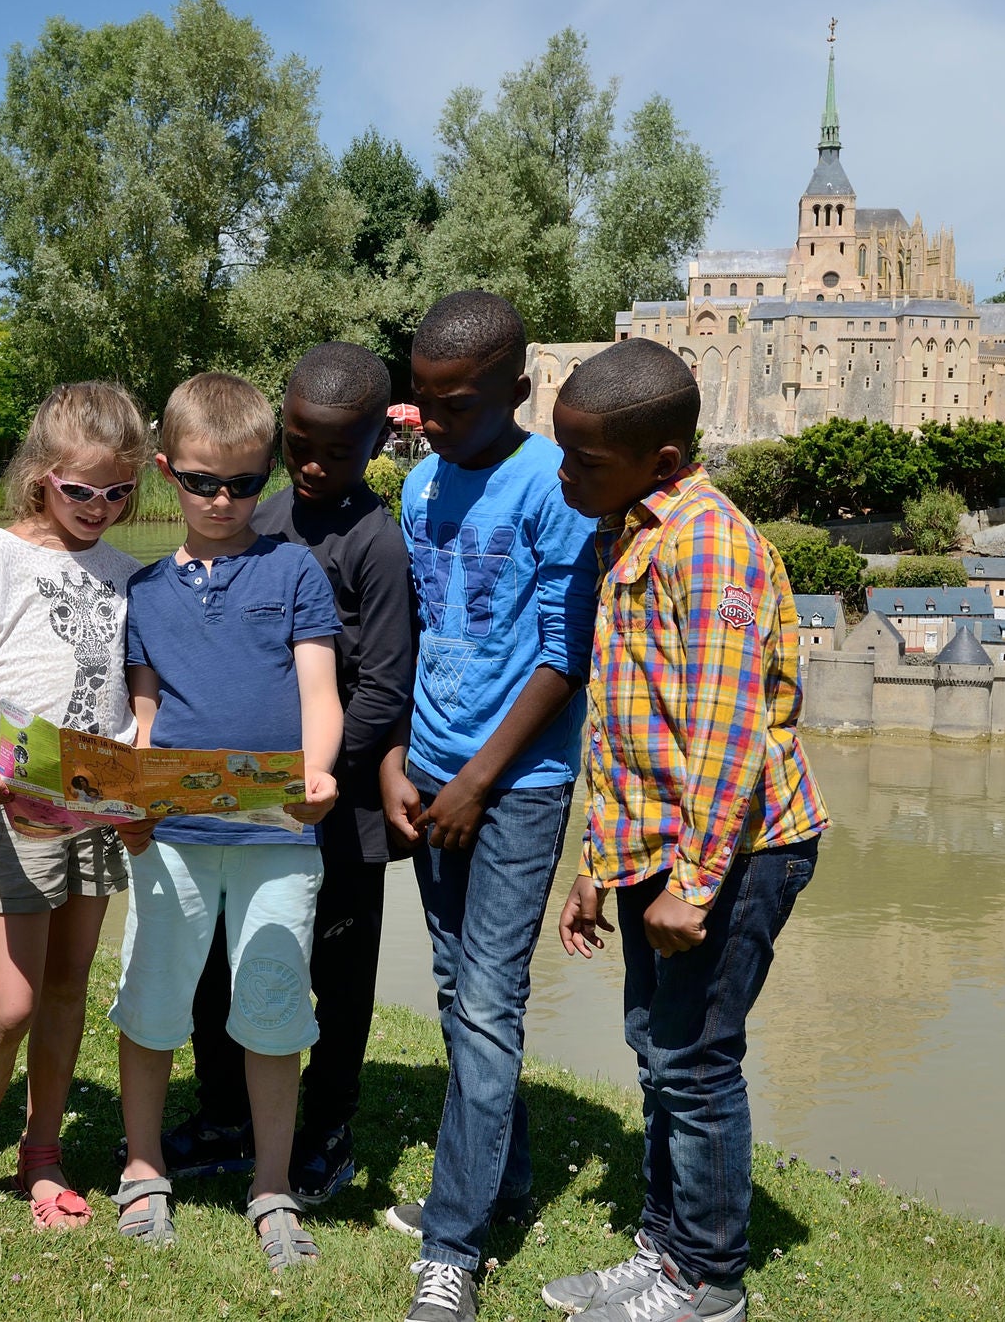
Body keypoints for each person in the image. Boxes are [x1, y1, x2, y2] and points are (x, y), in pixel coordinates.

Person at [543, 339, 830, 1322]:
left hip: (737, 849)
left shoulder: (709, 545)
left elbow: (723, 740)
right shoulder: (629, 529)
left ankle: (709, 1282)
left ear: (661, 461)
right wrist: (597, 865)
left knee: (697, 1058)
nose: (563, 475)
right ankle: (662, 1248)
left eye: (582, 461)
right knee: (655, 1046)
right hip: (661, 847)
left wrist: (694, 884)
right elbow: (630, 731)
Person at [381, 290, 601, 1322]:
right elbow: (420, 635)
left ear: (517, 391)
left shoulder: (552, 493)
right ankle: (498, 1179)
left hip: (514, 789)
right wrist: (401, 760)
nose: (431, 420)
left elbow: (565, 657)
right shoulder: (418, 486)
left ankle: (451, 1245)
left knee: (487, 1002)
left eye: (455, 403)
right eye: (420, 400)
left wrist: (475, 780)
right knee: (449, 984)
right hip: (428, 775)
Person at [163, 343, 415, 1203]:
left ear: (378, 440)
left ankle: (328, 1124)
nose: (313, 463)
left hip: (331, 808)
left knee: (336, 978)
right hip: (234, 809)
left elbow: (383, 686)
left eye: (337, 450)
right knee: (219, 963)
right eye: (299, 443)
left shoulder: (374, 543)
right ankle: (226, 1110)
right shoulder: (255, 517)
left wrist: (311, 775)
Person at [110, 371, 344, 1271]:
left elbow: (320, 690)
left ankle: (273, 1184)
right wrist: (125, 791)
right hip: (171, 833)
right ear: (167, 471)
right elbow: (144, 718)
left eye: (244, 483)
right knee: (155, 999)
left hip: (279, 830)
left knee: (277, 1005)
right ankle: (142, 1167)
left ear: (268, 474)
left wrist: (318, 771)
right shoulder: (142, 589)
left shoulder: (293, 570)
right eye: (202, 480)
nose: (221, 499)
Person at [0, 381, 153, 1241]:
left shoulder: (130, 572)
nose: (100, 507)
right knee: (13, 1000)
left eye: (119, 492)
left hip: (95, 798)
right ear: (41, 478)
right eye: (81, 490)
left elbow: (141, 685)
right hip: (16, 796)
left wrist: (143, 746)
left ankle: (44, 1151)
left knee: (68, 990)